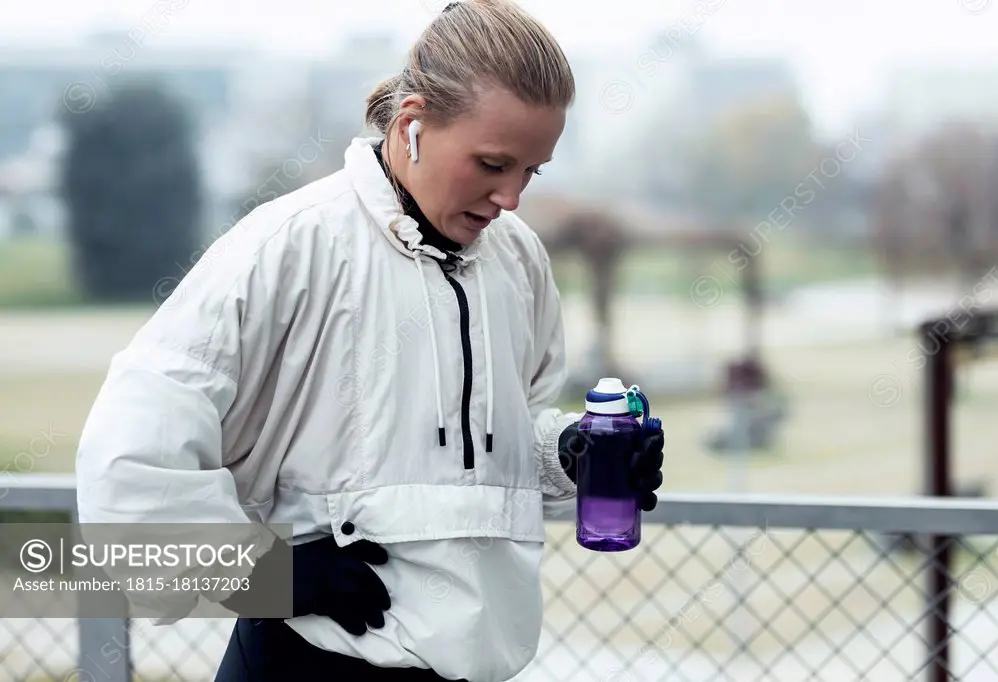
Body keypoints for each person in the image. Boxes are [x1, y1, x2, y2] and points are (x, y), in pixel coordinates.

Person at [74, 1, 666, 680]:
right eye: (491, 163)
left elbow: (494, 442)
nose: (510, 199)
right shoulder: (290, 245)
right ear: (412, 123)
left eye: (532, 171)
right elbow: (129, 449)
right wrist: (261, 574)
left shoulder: (519, 259)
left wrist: (571, 454)